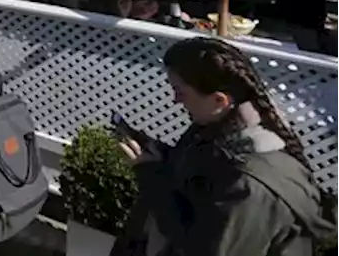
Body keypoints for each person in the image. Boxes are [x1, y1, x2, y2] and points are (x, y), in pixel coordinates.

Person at [114, 37, 335, 256]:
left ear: (220, 100)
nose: (175, 101)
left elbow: (202, 245)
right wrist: (159, 155)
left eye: (180, 92)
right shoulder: (214, 128)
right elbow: (195, 179)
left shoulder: (250, 186)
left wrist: (151, 176)